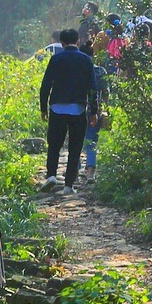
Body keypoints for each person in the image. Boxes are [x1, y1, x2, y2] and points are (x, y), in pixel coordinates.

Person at [39, 27, 99, 192]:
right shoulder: (86, 60)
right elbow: (93, 88)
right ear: (78, 41)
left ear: (62, 43)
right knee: (75, 147)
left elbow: (46, 85)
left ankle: (51, 175)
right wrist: (94, 111)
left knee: (54, 144)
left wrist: (43, 107)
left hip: (57, 107)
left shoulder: (56, 59)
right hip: (78, 109)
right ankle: (68, 185)